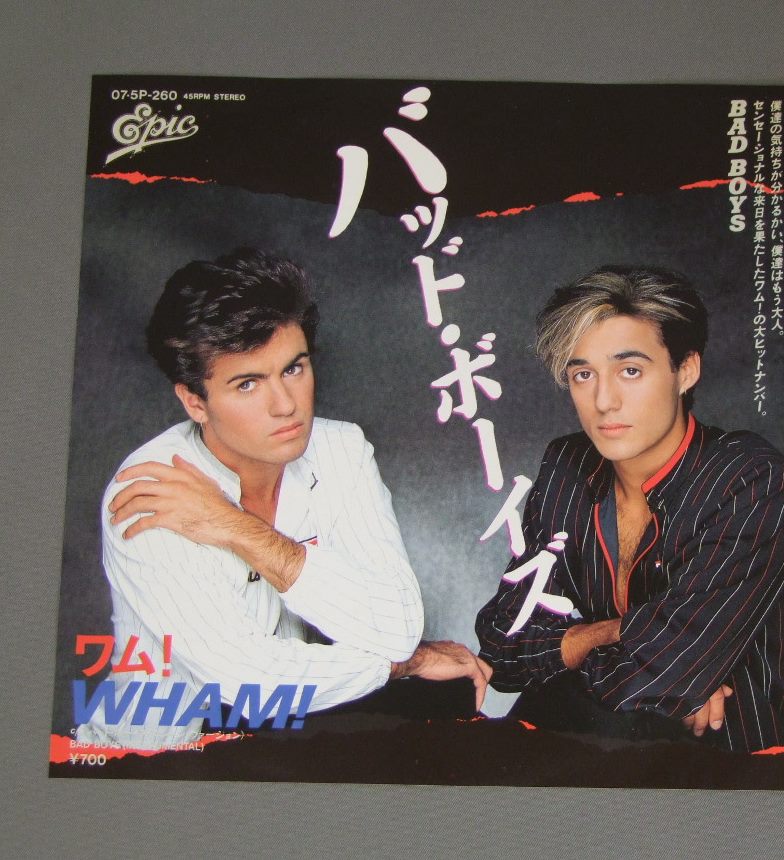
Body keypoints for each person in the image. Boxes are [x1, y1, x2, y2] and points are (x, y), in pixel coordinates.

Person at [76, 248, 489, 751]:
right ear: (194, 402)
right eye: (248, 384)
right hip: (154, 758)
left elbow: (397, 625)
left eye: (293, 369)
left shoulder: (340, 450)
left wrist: (236, 527)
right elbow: (246, 679)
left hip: (277, 737)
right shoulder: (150, 490)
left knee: (449, 702)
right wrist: (406, 663)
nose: (285, 405)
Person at [475, 266, 784, 752]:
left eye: (630, 370)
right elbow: (503, 645)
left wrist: (582, 652)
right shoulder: (567, 465)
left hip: (746, 756)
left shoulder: (752, 480)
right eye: (583, 374)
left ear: (685, 370)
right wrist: (624, 643)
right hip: (608, 748)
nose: (604, 401)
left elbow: (667, 671)